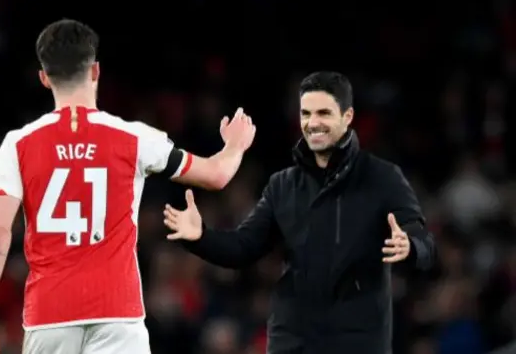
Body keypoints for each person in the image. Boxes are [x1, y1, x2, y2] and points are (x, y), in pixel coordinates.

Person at [0, 19, 256, 354]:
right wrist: (234, 146)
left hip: (49, 316)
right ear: (95, 71)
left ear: (44, 78)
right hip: (118, 316)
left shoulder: (17, 144)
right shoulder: (133, 137)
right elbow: (216, 175)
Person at [163, 71, 436, 354]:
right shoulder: (283, 185)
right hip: (293, 339)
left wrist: (411, 246)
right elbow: (243, 248)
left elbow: (424, 241)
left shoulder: (382, 177)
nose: (313, 123)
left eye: (324, 113)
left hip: (358, 339)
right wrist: (199, 236)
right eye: (306, 113)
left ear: (348, 116)